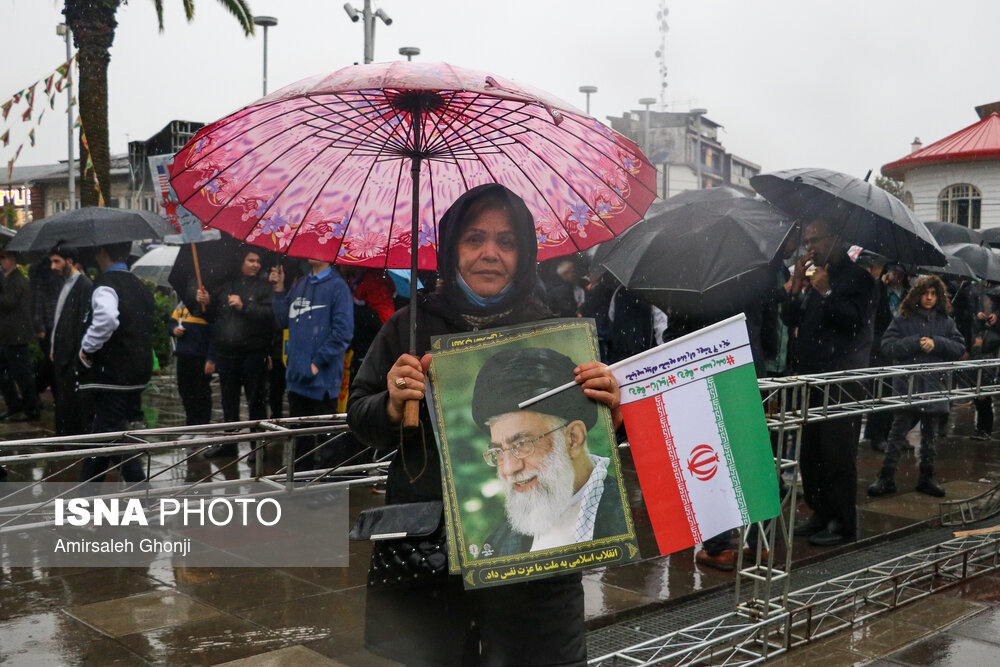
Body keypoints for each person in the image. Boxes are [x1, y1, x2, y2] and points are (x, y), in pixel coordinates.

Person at [347, 183, 621, 666]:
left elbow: (597, 431)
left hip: (535, 570)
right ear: (452, 249)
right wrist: (391, 405)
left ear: (525, 252)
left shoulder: (555, 329)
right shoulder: (408, 327)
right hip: (427, 557)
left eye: (506, 241)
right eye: (474, 239)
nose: (489, 253)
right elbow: (359, 419)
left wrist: (609, 407)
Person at [469, 347, 627, 556]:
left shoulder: (626, 515)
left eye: (521, 444)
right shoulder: (498, 545)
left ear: (573, 438)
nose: (509, 468)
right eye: (498, 451)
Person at [782, 218, 877, 546]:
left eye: (816, 240)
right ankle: (820, 511)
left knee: (837, 452)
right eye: (807, 241)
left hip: (842, 377)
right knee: (811, 451)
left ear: (836, 238)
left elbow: (854, 324)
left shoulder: (859, 280)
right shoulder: (815, 278)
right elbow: (790, 319)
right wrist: (797, 287)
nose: (810, 247)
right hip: (812, 376)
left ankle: (842, 521)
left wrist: (828, 292)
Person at [868, 275, 966, 498]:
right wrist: (914, 342)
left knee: (930, 437)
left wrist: (937, 343)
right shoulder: (902, 320)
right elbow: (888, 346)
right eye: (925, 293)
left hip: (933, 386)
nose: (929, 298)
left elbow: (959, 346)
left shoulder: (946, 322)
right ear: (916, 295)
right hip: (908, 387)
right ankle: (886, 477)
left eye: (933, 294)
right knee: (897, 434)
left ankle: (926, 477)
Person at [78, 241, 154, 484]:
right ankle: (87, 499)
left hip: (112, 373)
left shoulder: (106, 285)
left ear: (101, 252)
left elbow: (107, 319)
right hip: (136, 372)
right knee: (108, 435)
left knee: (108, 436)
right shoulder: (139, 285)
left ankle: (141, 494)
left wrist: (87, 347)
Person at [270, 258, 353, 471]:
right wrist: (279, 290)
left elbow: (343, 333)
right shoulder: (300, 284)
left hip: (322, 381)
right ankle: (301, 482)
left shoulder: (338, 287)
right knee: (300, 439)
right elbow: (282, 321)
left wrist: (317, 363)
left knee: (327, 440)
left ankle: (329, 489)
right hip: (296, 379)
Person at [197, 249, 273, 457]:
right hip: (226, 353)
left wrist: (244, 305)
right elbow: (212, 317)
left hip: (253, 353)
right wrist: (205, 302)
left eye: (258, 261)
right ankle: (229, 443)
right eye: (251, 260)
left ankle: (257, 447)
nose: (255, 265)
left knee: (255, 401)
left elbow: (270, 315)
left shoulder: (265, 287)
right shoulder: (225, 286)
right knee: (228, 401)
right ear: (241, 261)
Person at [49, 246, 94, 436]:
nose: (52, 266)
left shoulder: (84, 286)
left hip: (72, 355)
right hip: (61, 353)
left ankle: (71, 437)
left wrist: (77, 353)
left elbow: (82, 323)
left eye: (56, 261)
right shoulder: (64, 284)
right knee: (63, 400)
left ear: (69, 261)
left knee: (71, 402)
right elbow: (60, 319)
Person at [0, 249, 41, 422]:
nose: (1, 262)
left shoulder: (17, 280)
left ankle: (31, 409)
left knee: (22, 374)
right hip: (6, 336)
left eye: (3, 258)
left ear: (12, 260)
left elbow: (8, 302)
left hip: (16, 336)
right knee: (4, 374)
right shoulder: (7, 279)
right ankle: (14, 405)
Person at [170, 301, 213, 432]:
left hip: (200, 356)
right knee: (185, 391)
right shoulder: (181, 306)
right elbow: (171, 323)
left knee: (201, 392)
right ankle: (191, 424)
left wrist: (211, 358)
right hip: (183, 355)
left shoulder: (207, 306)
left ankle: (203, 426)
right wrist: (174, 330)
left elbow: (214, 334)